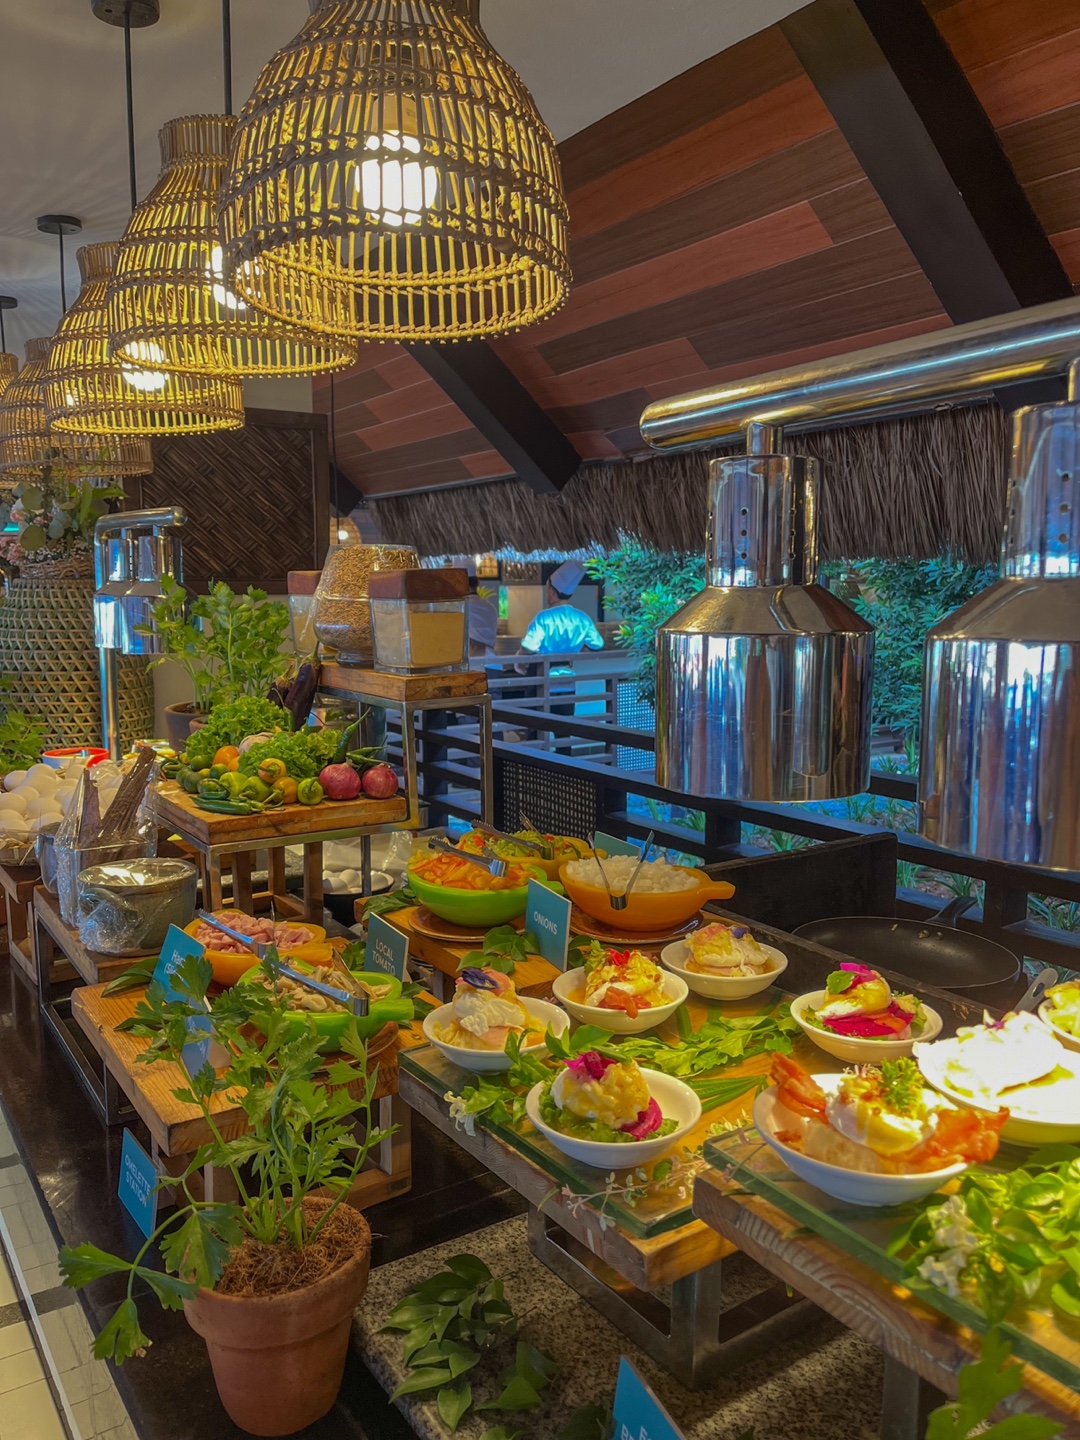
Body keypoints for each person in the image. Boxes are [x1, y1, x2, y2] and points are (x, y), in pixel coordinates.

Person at [520, 560, 604, 657]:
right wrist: (580, 650)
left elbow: (529, 647)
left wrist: (520, 653)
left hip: (545, 666)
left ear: (552, 592)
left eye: (547, 589)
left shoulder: (543, 618)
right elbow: (597, 644)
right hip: (571, 666)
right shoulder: (583, 618)